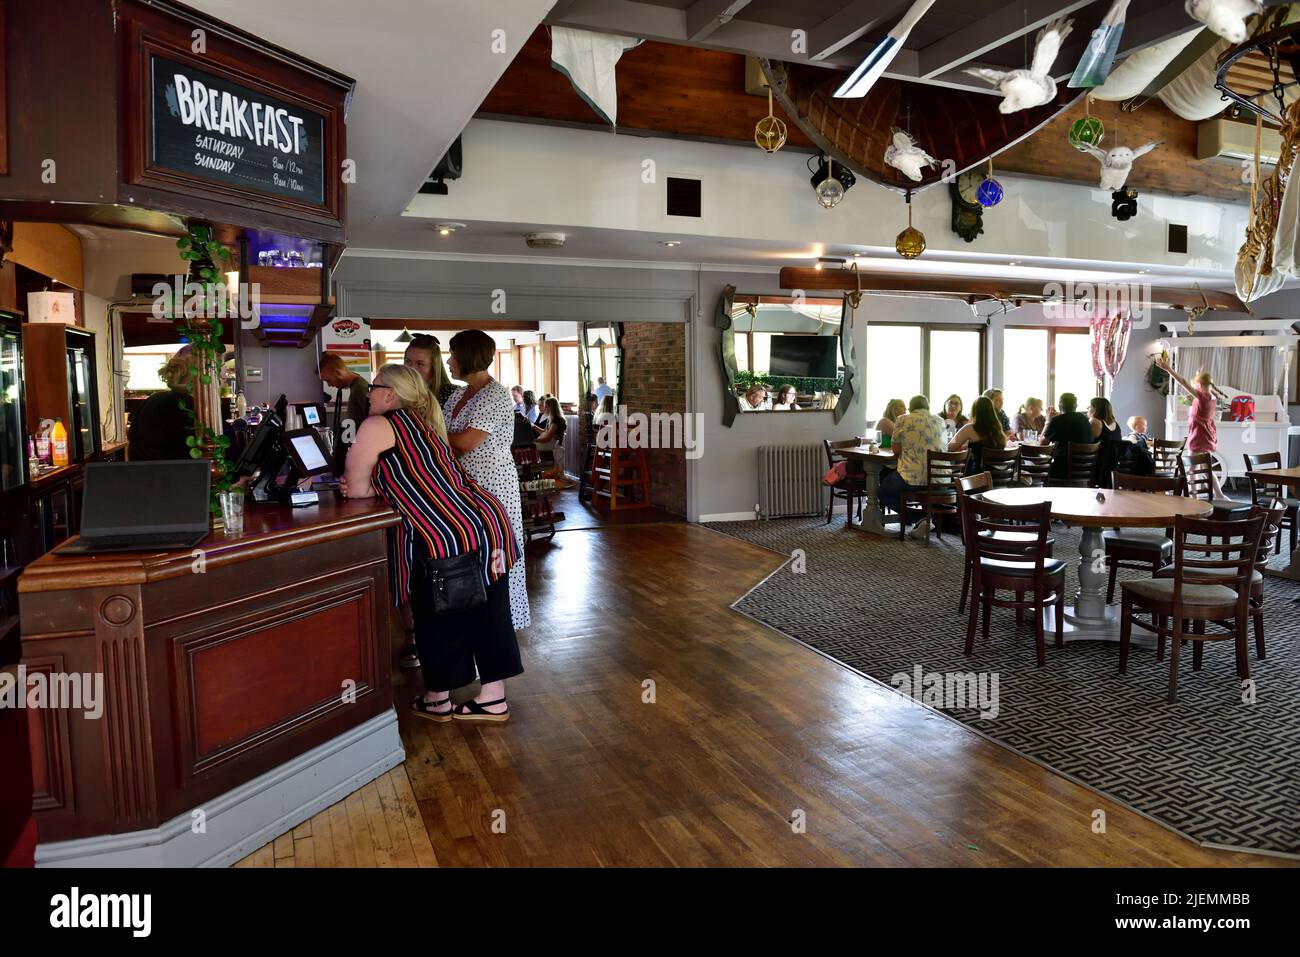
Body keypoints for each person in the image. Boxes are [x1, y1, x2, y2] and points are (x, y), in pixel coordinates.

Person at [342, 364, 522, 722]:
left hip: (444, 533)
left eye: (373, 388)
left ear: (389, 395)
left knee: (436, 612)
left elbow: (356, 488)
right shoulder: (424, 422)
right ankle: (493, 698)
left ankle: (438, 699)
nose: (368, 394)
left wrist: (366, 485)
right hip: (486, 523)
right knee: (489, 609)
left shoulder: (377, 425)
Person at [444, 330, 530, 630]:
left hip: (492, 485)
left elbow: (466, 442)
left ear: (467, 357)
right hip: (465, 486)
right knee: (472, 553)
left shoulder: (495, 394)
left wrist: (432, 433)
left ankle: (500, 624)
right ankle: (476, 623)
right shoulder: (458, 394)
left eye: (453, 355)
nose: (449, 361)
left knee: (496, 553)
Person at [880, 395, 946, 539]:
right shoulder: (940, 421)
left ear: (910, 408)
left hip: (911, 479)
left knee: (883, 492)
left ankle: (921, 517)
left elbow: (896, 450)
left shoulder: (902, 420)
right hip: (939, 480)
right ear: (928, 408)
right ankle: (926, 518)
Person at [128, 347, 195, 461]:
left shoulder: (153, 401)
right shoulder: (197, 407)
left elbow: (136, 449)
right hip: (187, 472)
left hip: (147, 471)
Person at [319, 352, 369, 472]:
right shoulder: (355, 386)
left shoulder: (360, 388)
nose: (329, 385)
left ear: (338, 373)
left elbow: (372, 420)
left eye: (328, 380)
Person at [948, 395, 1006, 475]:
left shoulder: (970, 428)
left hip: (976, 478)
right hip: (999, 477)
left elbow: (949, 448)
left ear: (974, 411)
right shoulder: (997, 429)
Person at [1043, 392, 1093, 483]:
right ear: (1076, 406)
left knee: (1040, 469)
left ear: (1059, 407)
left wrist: (1048, 421)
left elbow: (1043, 443)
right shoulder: (1085, 420)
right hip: (1085, 469)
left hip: (1062, 470)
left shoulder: (1057, 420)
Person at [403, 334, 456, 405]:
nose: (411, 368)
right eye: (408, 361)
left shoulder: (452, 394)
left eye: (420, 364)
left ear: (434, 367)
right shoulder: (398, 391)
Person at [1089, 396, 1125, 488]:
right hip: (1114, 466)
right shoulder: (1116, 424)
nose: (1087, 408)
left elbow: (1088, 442)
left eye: (1090, 406)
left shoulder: (1095, 421)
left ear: (1095, 409)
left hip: (1098, 465)